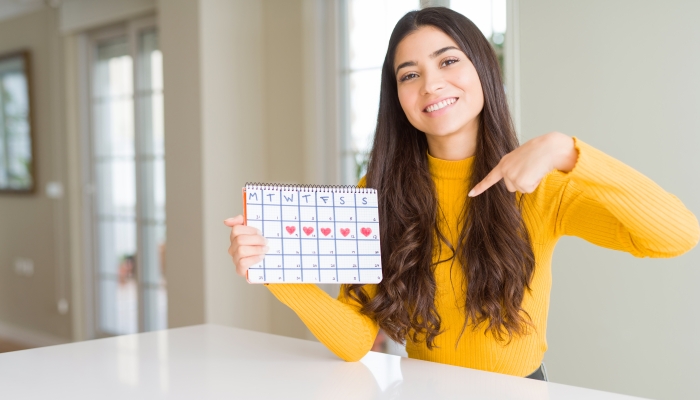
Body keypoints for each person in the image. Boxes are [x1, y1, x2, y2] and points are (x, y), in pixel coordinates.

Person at [224, 7, 699, 380]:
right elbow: (355, 339)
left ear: (482, 70)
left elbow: (677, 235)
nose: (431, 84)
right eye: (409, 74)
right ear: (398, 97)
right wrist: (274, 270)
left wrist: (568, 151)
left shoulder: (541, 186)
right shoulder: (377, 195)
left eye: (448, 61)